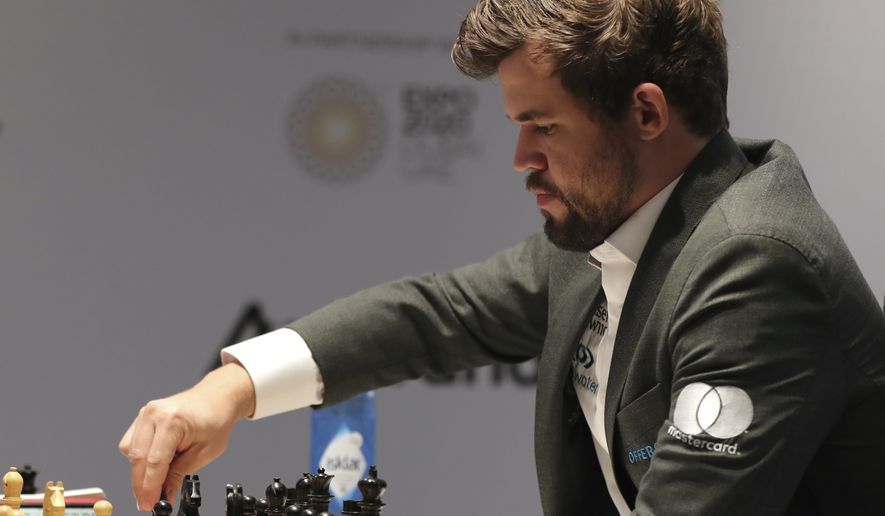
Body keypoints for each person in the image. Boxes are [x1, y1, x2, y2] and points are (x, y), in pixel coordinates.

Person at [120, 0, 885, 514]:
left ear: (646, 111)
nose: (519, 157)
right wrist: (230, 388)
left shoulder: (756, 266)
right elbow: (433, 315)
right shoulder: (608, 228)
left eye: (542, 127)